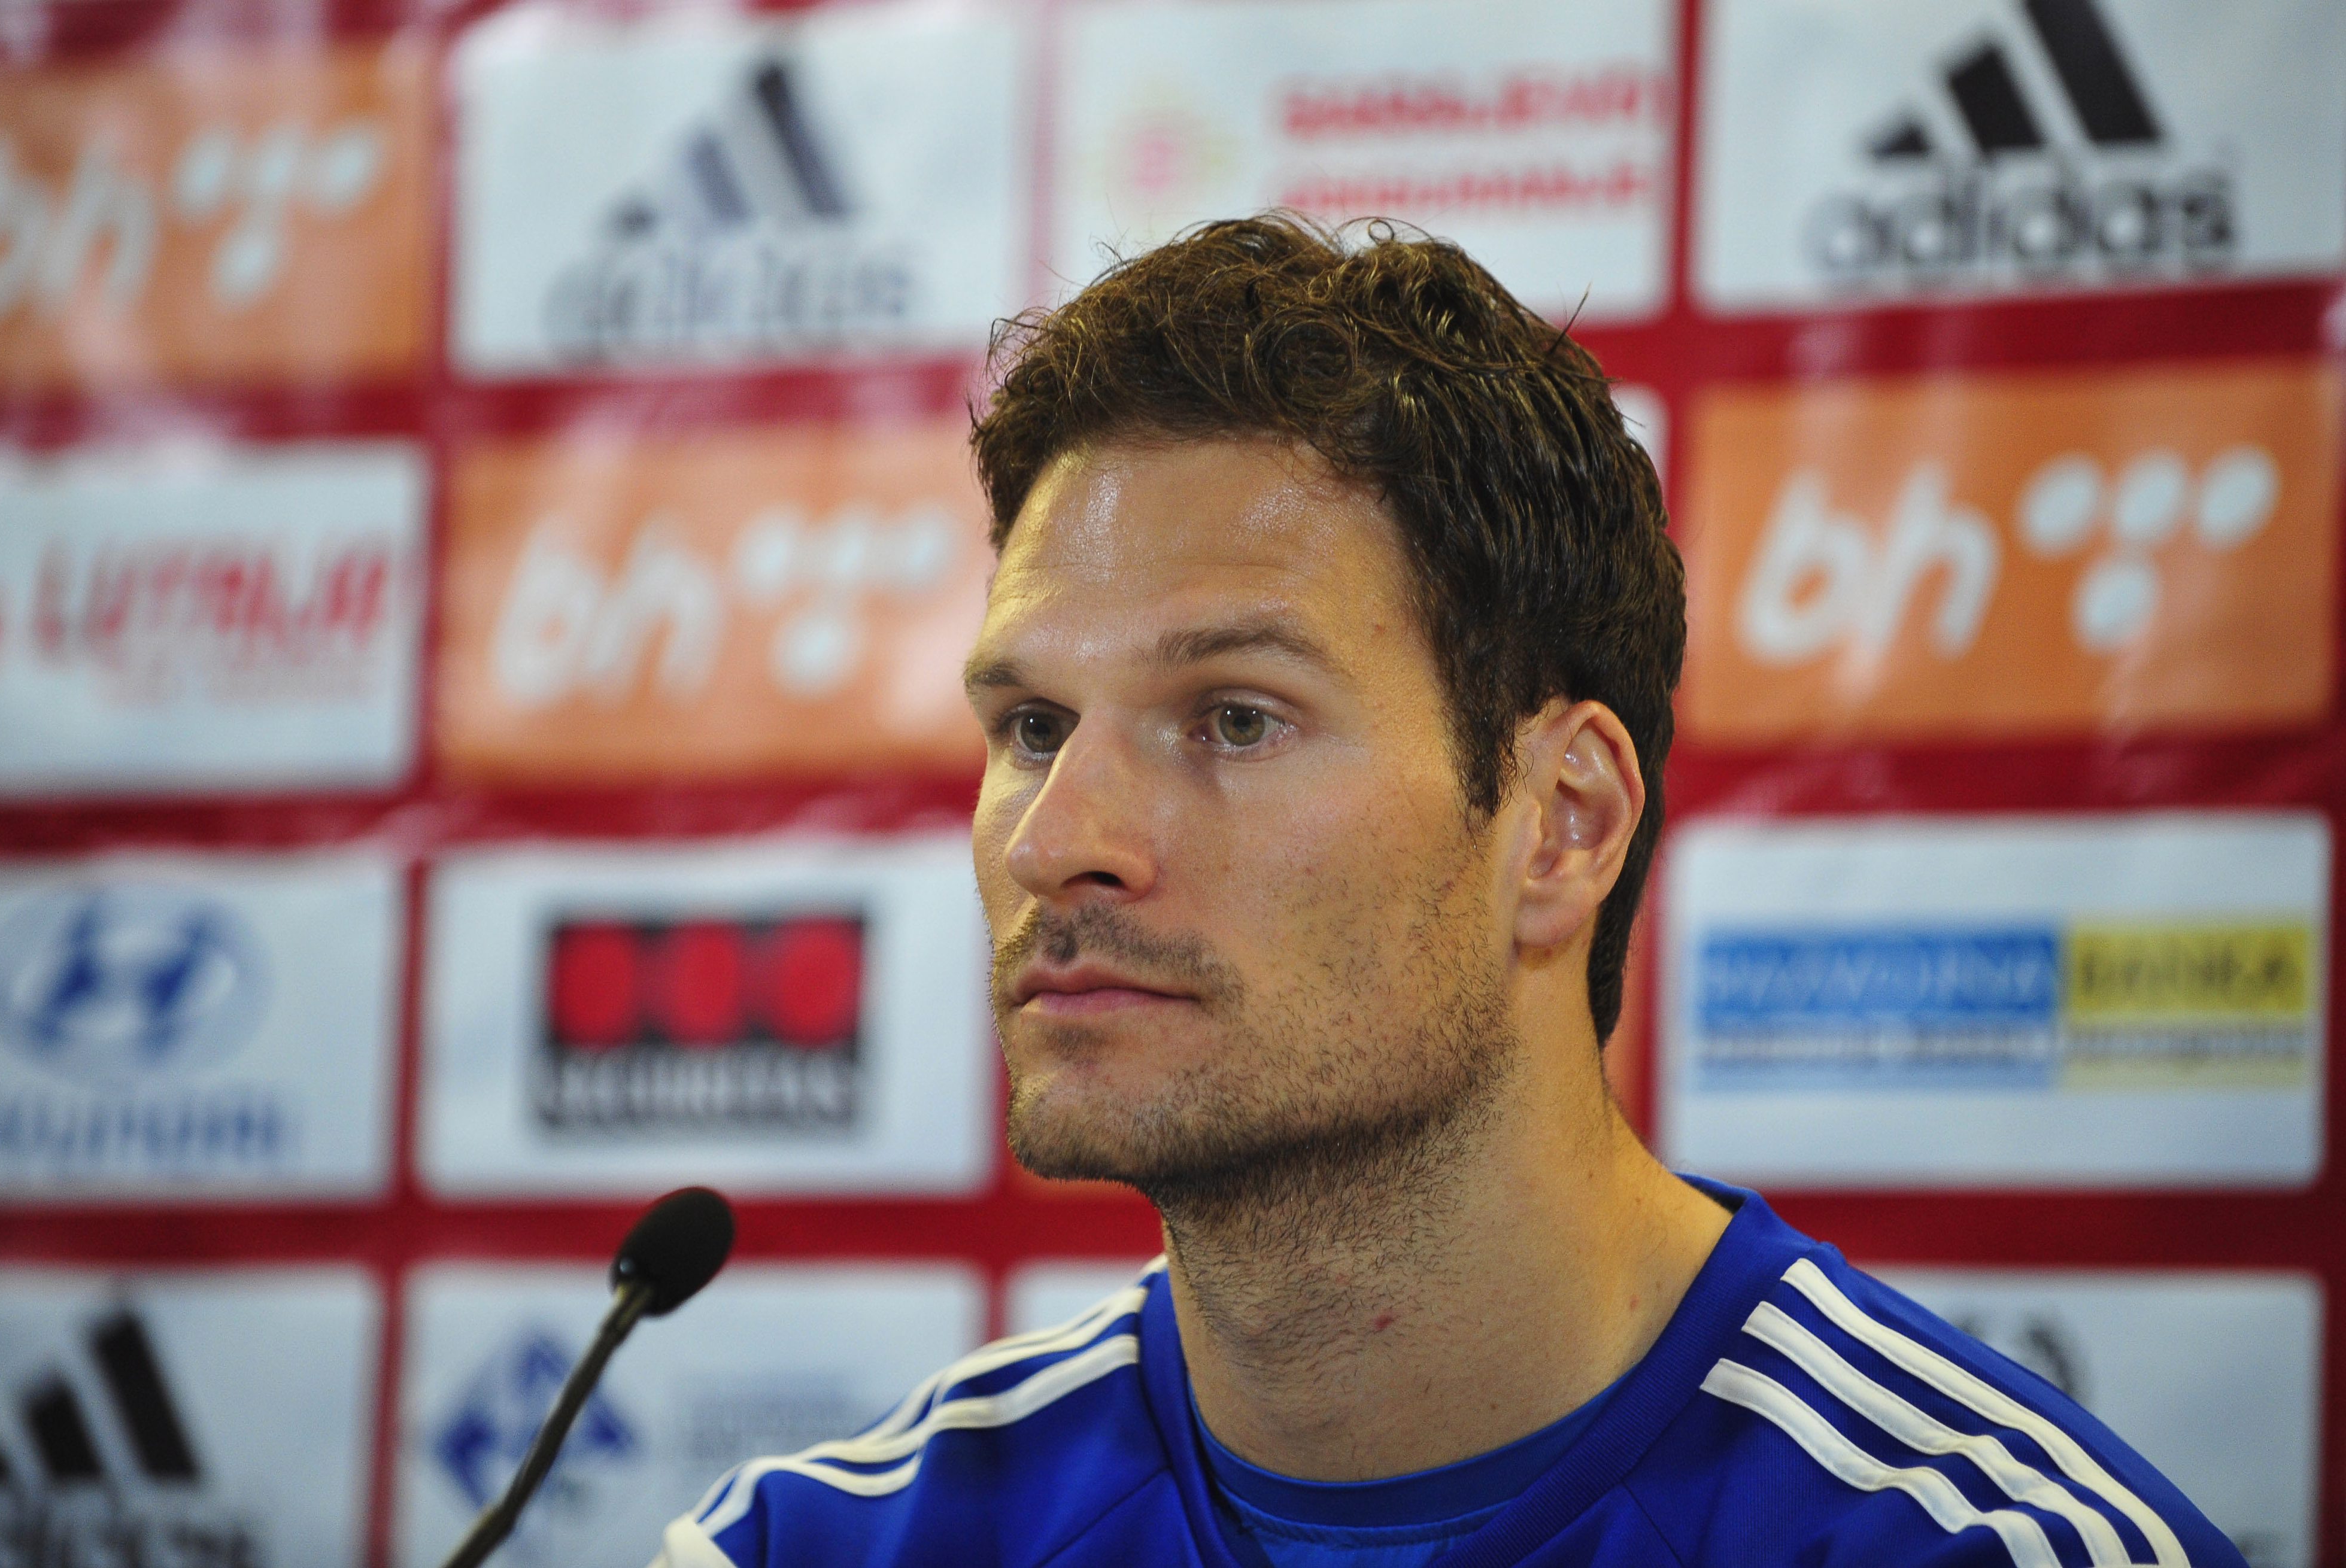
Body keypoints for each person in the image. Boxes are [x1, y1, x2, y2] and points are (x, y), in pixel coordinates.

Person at [651, 215, 2242, 1568]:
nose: (1053, 837)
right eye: (1034, 726)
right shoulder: (816, 1543)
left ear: (1562, 821)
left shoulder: (1982, 1543)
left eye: (1235, 717)